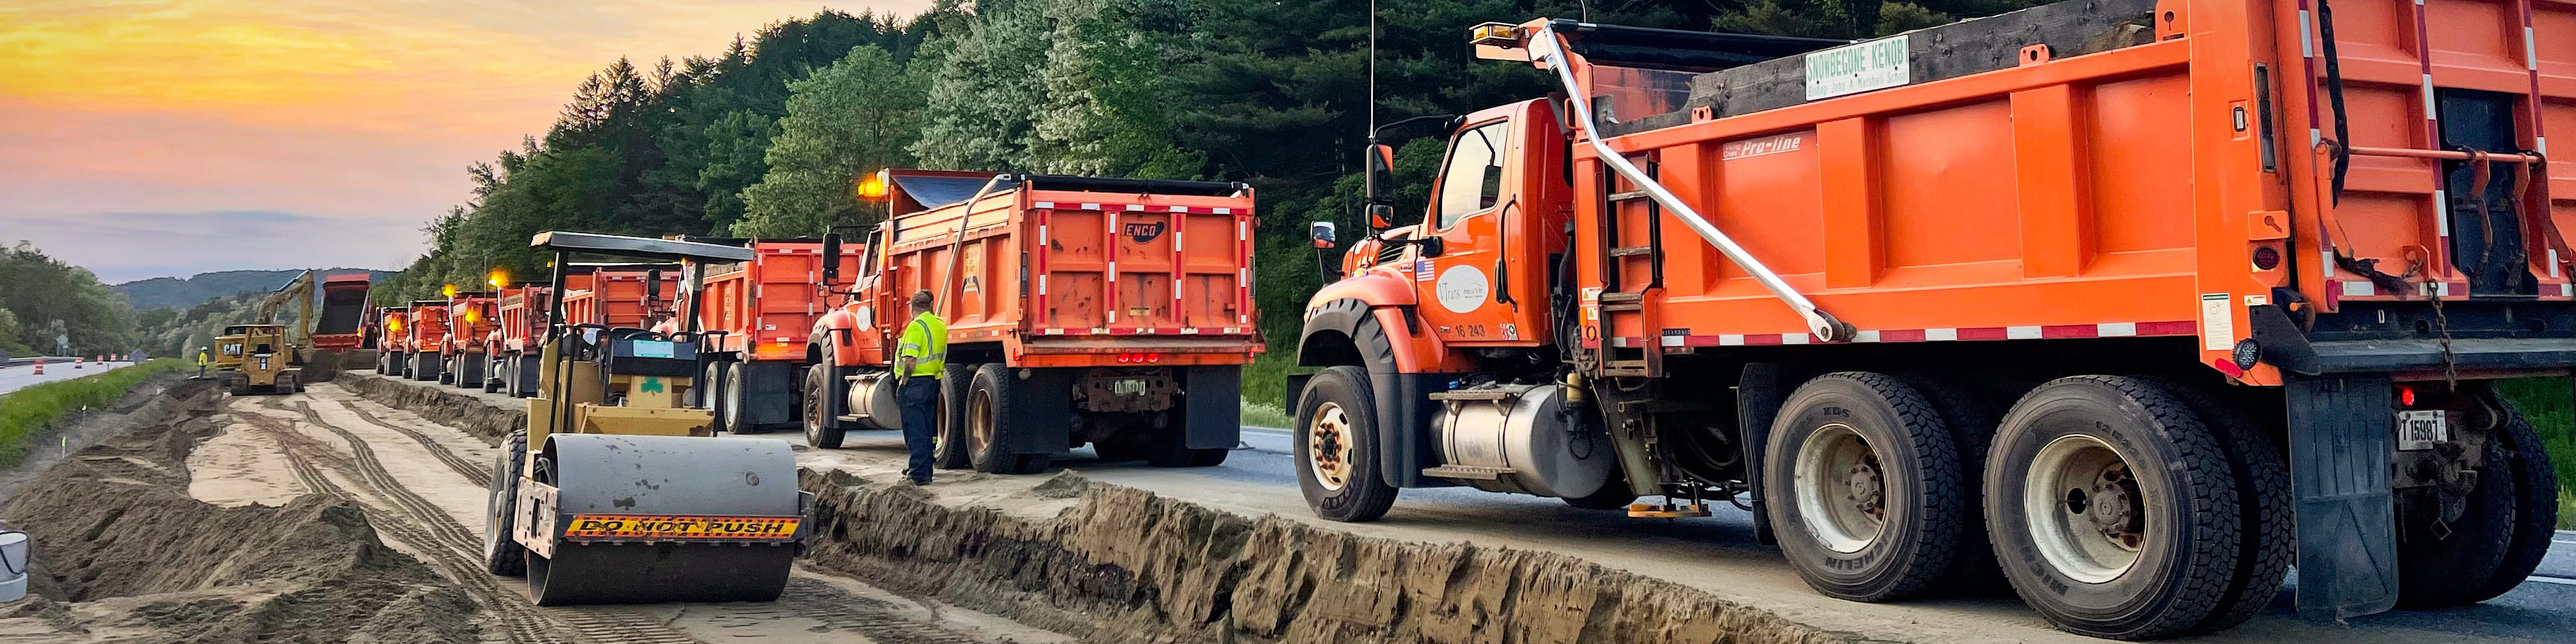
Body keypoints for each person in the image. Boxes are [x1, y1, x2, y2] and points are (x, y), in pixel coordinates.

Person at [893, 289, 949, 486]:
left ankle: (918, 473)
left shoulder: (916, 327)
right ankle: (924, 469)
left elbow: (910, 360)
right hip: (933, 381)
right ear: (930, 306)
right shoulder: (939, 325)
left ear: (911, 307)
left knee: (915, 430)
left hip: (915, 383)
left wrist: (903, 383)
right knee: (926, 428)